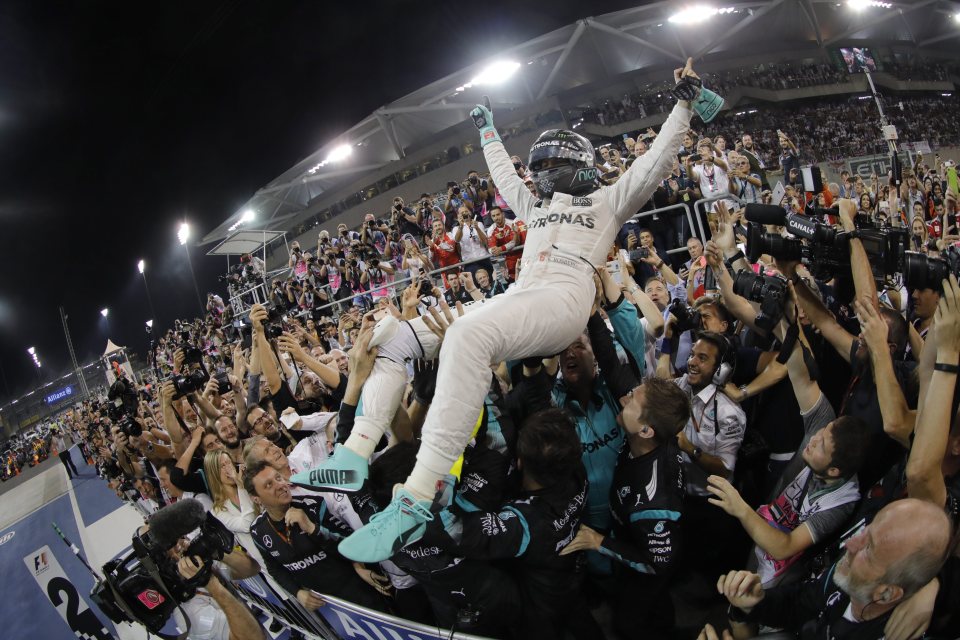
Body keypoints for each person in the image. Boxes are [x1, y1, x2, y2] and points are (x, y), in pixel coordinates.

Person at [296, 58, 704, 564]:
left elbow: (656, 160)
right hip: (522, 294)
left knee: (467, 335)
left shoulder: (607, 200)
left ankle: (417, 498)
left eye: (551, 168)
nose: (543, 177)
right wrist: (487, 128)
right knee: (392, 335)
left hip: (563, 299)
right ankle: (354, 454)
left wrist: (684, 102)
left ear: (576, 165)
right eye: (540, 170)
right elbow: (506, 175)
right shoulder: (535, 205)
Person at [719, 499, 953, 640]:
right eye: (865, 531)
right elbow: (801, 603)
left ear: (886, 593)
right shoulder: (852, 574)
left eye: (868, 549)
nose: (850, 544)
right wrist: (756, 603)